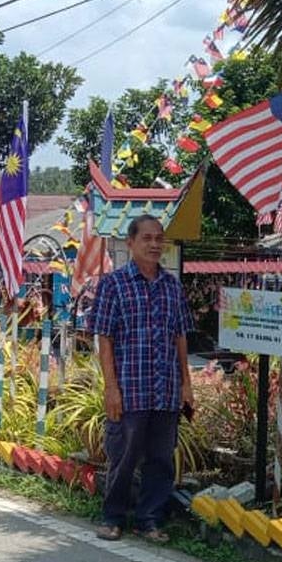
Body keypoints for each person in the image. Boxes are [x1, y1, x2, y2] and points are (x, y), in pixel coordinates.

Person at [88, 214, 194, 543]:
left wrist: (187, 384)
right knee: (124, 456)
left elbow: (180, 336)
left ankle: (149, 519)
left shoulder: (172, 286)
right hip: (130, 389)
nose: (154, 244)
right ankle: (113, 516)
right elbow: (103, 338)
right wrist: (111, 388)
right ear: (131, 243)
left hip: (165, 390)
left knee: (161, 459)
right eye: (147, 238)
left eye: (159, 238)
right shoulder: (113, 284)